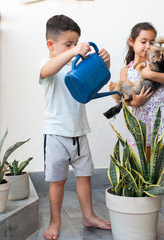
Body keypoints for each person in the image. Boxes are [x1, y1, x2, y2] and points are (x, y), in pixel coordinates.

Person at [39, 15, 111, 240]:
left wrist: (104, 62)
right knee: (58, 181)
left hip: (79, 133)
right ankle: (55, 221)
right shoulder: (48, 64)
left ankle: (88, 216)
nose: (73, 48)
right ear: (51, 45)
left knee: (84, 177)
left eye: (75, 43)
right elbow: (47, 70)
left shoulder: (76, 66)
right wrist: (73, 51)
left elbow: (97, 80)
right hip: (56, 135)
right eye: (68, 44)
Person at [121, 22, 164, 220]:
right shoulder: (125, 70)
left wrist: (147, 74)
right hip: (142, 122)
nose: (148, 46)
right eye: (143, 41)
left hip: (162, 117)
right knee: (146, 162)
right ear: (132, 42)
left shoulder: (159, 60)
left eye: (152, 41)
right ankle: (146, 203)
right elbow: (128, 99)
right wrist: (137, 100)